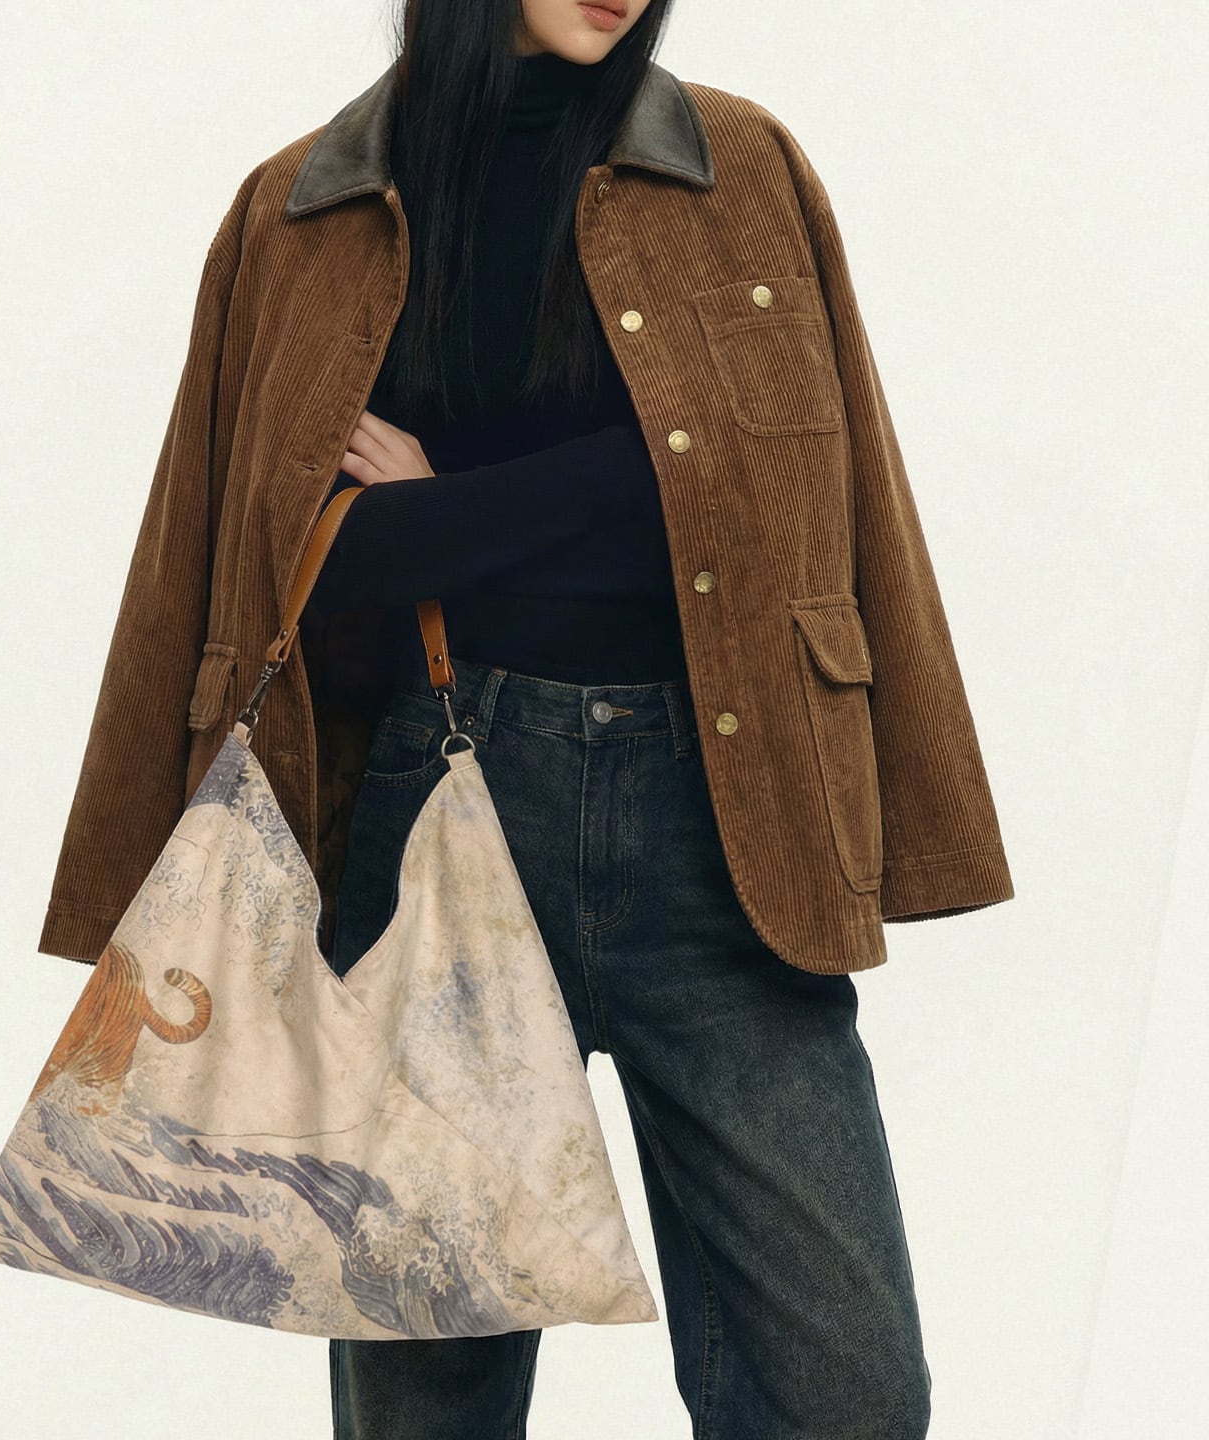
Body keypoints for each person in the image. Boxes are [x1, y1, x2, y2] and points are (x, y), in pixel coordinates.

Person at [303, 3, 933, 1438]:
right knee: (425, 1401)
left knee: (846, 1396)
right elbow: (309, 559)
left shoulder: (740, 168)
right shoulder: (316, 202)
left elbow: (775, 497)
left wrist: (449, 508)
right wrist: (631, 474)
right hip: (439, 808)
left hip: (724, 820)